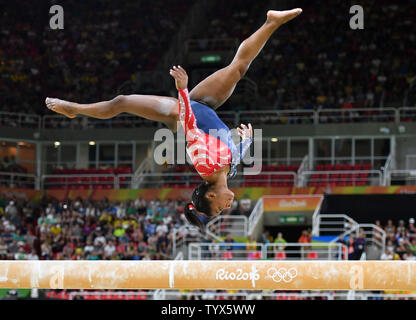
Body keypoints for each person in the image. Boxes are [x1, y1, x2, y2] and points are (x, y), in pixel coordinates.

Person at [45, 9, 303, 232]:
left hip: (182, 113)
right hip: (205, 106)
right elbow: (234, 154)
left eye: (218, 208)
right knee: (238, 68)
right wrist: (246, 141)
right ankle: (272, 21)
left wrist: (182, 91)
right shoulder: (228, 171)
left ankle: (75, 109)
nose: (226, 208)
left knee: (122, 101)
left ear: (211, 195)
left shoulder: (207, 165)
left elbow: (190, 126)